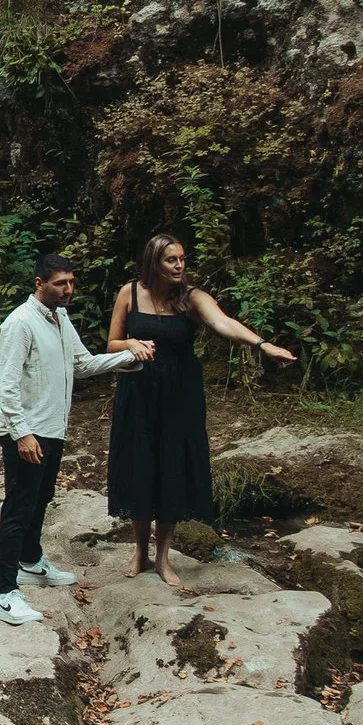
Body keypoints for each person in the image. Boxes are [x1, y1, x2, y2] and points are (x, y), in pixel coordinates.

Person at [105, 233, 296, 588]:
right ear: (153, 263)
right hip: (138, 393)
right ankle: (139, 551)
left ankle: (163, 557)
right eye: (171, 260)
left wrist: (263, 344)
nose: (179, 266)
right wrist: (130, 342)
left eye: (182, 259)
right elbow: (112, 343)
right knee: (141, 465)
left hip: (179, 396)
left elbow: (224, 324)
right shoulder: (128, 293)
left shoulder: (191, 299)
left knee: (171, 467)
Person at [0, 253, 151, 626]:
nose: (68, 290)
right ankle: (5, 594)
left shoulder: (60, 318)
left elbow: (80, 365)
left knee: (41, 499)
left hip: (51, 428)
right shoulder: (20, 324)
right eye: (60, 283)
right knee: (18, 507)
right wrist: (22, 433)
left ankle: (30, 561)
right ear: (39, 284)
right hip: (27, 431)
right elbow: (6, 385)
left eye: (71, 283)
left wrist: (128, 354)